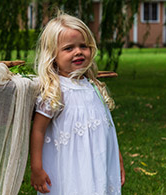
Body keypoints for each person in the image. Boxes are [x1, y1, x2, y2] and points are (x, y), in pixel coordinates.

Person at [30, 13, 125, 195]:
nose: (78, 52)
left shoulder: (94, 86)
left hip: (97, 162)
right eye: (68, 48)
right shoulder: (55, 91)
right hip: (69, 166)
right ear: (52, 55)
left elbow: (108, 129)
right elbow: (38, 130)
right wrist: (36, 168)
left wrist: (117, 159)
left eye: (83, 46)